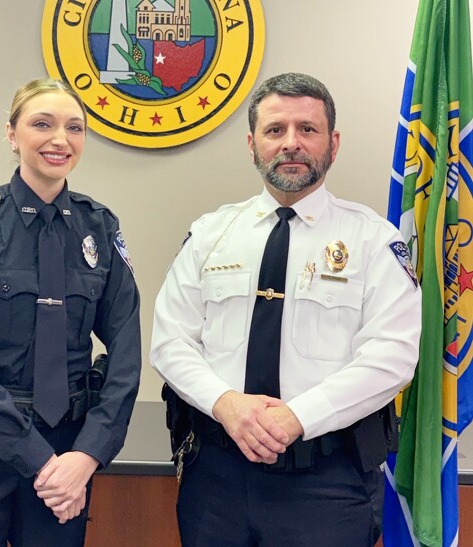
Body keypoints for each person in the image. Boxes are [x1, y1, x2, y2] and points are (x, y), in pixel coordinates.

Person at [150, 73, 421, 546]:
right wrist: (226, 403)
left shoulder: (374, 240)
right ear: (252, 144)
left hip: (328, 483)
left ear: (333, 144)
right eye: (275, 130)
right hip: (216, 479)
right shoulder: (211, 234)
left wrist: (298, 416)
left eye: (307, 129)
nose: (291, 143)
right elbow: (170, 341)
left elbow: (391, 356)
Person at [0, 78, 141, 546]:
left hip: (67, 455)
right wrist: (40, 461)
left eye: (74, 127)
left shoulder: (100, 228)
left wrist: (88, 455)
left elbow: (126, 356)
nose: (60, 139)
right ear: (12, 134)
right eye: (42, 124)